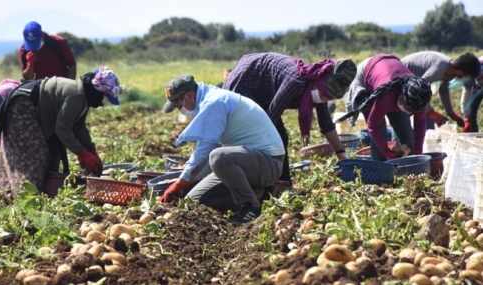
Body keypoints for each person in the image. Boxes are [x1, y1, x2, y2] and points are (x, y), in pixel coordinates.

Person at [159, 74, 285, 224]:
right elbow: (208, 154)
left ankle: (251, 205)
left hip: (268, 164)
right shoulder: (208, 102)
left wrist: (180, 183)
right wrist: (190, 181)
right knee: (193, 202)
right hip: (244, 163)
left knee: (219, 157)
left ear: (189, 96)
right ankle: (263, 194)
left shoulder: (214, 102)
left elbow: (206, 151)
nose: (180, 111)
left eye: (179, 106)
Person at [222, 52, 356, 187]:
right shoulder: (295, 83)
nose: (325, 99)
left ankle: (282, 183)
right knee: (270, 136)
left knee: (278, 137)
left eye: (330, 97)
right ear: (320, 81)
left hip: (266, 89)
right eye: (325, 93)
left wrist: (341, 155)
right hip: (249, 79)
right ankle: (258, 179)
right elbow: (271, 118)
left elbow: (326, 124)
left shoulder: (316, 88)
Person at [0, 66, 123, 199]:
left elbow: (78, 127)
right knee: (36, 154)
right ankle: (24, 198)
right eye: (105, 99)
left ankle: (46, 194)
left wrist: (91, 150)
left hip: (37, 112)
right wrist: (82, 153)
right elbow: (62, 129)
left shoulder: (83, 98)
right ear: (98, 92)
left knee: (53, 152)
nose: (104, 103)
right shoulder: (77, 96)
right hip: (22, 108)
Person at [338, 54, 433, 161]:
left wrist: (418, 151)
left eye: (411, 110)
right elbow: (373, 125)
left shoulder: (419, 97)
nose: (409, 112)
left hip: (387, 70)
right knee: (380, 133)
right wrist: (385, 151)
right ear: (401, 96)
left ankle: (404, 167)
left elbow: (420, 123)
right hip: (365, 76)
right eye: (407, 108)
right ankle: (379, 169)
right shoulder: (387, 97)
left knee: (406, 133)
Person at [401, 51, 481, 129]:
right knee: (405, 119)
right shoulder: (439, 68)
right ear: (461, 72)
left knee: (424, 119)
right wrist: (430, 112)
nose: (465, 79)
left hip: (413, 83)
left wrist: (450, 113)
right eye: (467, 76)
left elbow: (443, 90)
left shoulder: (451, 71)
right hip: (401, 75)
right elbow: (419, 88)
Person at [459, 57, 483, 132]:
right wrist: (466, 118)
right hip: (477, 87)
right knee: (471, 111)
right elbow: (465, 99)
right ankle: (474, 136)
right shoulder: (469, 77)